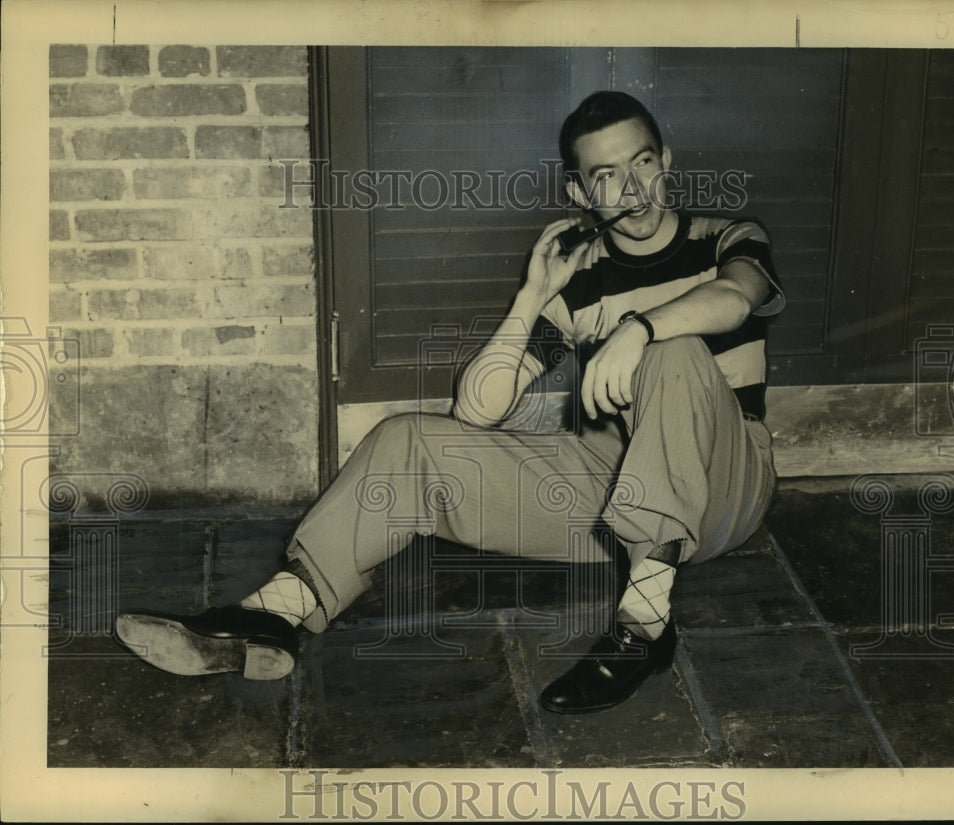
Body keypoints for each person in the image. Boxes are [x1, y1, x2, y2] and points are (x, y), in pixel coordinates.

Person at [116, 90, 784, 714]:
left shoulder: (727, 237)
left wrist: (638, 331)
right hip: (616, 485)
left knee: (672, 351)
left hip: (725, 483)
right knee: (411, 438)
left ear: (666, 160)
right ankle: (277, 614)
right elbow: (477, 413)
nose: (633, 189)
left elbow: (734, 299)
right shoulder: (580, 281)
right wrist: (531, 297)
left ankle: (644, 623)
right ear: (581, 191)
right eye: (607, 175)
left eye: (642, 162)